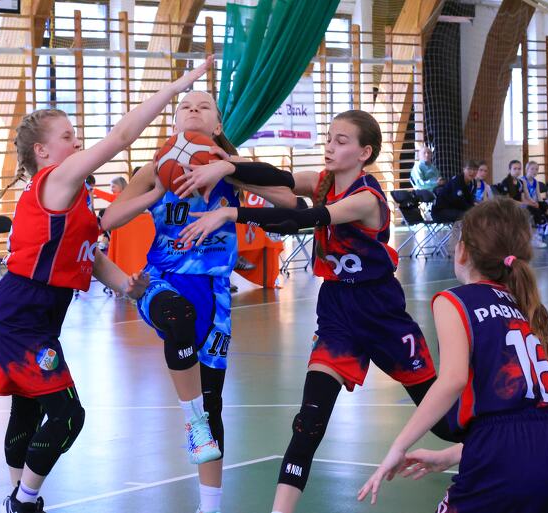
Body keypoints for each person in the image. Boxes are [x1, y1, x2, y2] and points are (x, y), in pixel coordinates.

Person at [174, 109, 457, 513]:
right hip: (338, 313)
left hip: (382, 314)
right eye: (328, 138)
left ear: (364, 153)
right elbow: (278, 176)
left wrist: (231, 212)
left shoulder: (366, 198)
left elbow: (302, 218)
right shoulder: (322, 181)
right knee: (308, 423)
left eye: (341, 141)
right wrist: (228, 166)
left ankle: (491, 444)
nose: (330, 146)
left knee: (445, 424)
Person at [0, 57, 214, 513]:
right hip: (21, 312)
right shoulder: (56, 179)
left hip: (37, 312)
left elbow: (91, 251)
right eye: (68, 136)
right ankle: (23, 501)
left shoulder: (72, 198)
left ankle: (16, 497)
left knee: (28, 408)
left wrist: (130, 284)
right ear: (42, 152)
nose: (77, 142)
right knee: (68, 416)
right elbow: (121, 137)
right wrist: (176, 87)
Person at [101, 88, 288, 513]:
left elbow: (289, 202)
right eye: (185, 106)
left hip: (214, 292)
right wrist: (155, 191)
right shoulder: (155, 168)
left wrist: (232, 170)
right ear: (174, 123)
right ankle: (192, 418)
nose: (193, 110)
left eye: (204, 106)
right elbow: (109, 219)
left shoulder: (230, 168)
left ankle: (210, 506)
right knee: (178, 316)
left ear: (217, 125)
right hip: (161, 281)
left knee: (213, 402)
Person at [358, 198, 548, 513]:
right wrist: (451, 455)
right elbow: (525, 417)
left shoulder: (456, 301)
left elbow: (453, 381)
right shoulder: (527, 304)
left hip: (500, 458)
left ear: (462, 250)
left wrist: (399, 446)